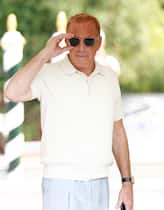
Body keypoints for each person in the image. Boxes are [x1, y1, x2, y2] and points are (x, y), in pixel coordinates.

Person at [4, 13, 133, 210]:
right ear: (66, 41)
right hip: (59, 182)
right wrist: (45, 55)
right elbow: (12, 92)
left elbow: (118, 132)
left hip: (99, 181)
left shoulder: (109, 77)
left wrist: (127, 183)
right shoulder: (48, 73)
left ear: (98, 43)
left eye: (88, 41)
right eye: (74, 40)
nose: (81, 48)